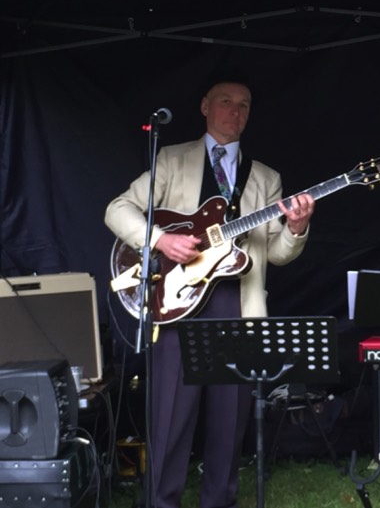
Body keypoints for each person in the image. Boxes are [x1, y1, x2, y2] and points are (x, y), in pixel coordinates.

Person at [105, 73, 315, 508]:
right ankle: (161, 502)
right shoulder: (172, 159)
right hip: (176, 301)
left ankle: (219, 500)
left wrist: (297, 228)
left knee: (229, 419)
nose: (234, 111)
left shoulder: (265, 177)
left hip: (236, 302)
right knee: (170, 417)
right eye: (225, 102)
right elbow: (118, 209)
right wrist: (161, 241)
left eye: (243, 105)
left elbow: (276, 254)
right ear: (205, 107)